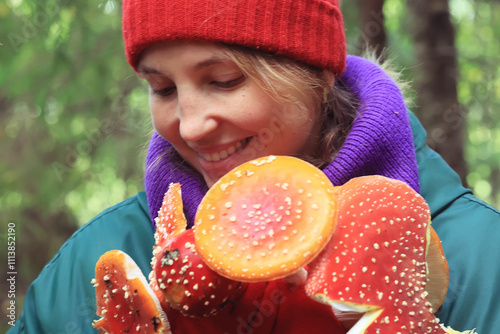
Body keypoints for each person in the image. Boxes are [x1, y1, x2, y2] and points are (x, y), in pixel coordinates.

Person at [8, 0, 500, 333]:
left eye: (223, 80)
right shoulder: (100, 259)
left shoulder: (479, 255)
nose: (192, 125)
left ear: (316, 73)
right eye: (163, 89)